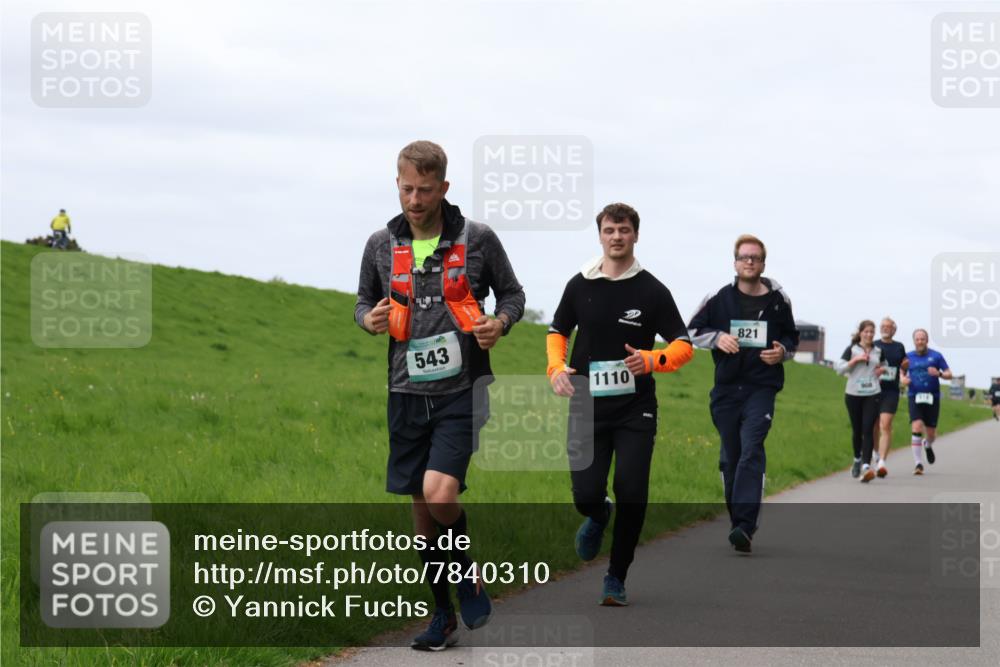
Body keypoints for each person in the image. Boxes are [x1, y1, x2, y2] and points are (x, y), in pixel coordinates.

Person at [354, 140, 525, 651]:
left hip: (461, 390)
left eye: (425, 190)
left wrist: (501, 322)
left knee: (440, 492)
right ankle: (441, 614)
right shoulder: (380, 245)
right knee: (423, 515)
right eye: (406, 188)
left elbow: (513, 295)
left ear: (444, 188)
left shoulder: (478, 239)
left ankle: (467, 573)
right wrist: (369, 319)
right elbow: (363, 301)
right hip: (405, 392)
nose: (414, 198)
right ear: (398, 184)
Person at [546, 203, 693, 606]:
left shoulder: (651, 290)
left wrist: (652, 360)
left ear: (635, 235)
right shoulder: (580, 284)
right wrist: (555, 368)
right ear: (600, 235)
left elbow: (683, 344)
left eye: (624, 230)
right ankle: (597, 513)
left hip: (635, 409)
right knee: (585, 493)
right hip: (587, 404)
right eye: (609, 229)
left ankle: (616, 576)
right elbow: (558, 330)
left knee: (632, 489)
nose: (616, 236)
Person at [688, 234, 799, 554]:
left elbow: (791, 339)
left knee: (752, 447)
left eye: (755, 258)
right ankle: (739, 523)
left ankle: (746, 525)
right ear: (735, 262)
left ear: (763, 263)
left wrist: (782, 353)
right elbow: (692, 331)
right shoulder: (719, 298)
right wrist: (718, 338)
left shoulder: (779, 301)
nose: (749, 262)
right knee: (730, 458)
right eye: (744, 257)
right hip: (726, 389)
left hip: (761, 387)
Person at [835, 320, 886, 483]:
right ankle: (857, 459)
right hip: (853, 394)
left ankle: (866, 466)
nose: (869, 334)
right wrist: (854, 361)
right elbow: (839, 368)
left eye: (872, 332)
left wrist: (882, 370)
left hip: (873, 393)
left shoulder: (878, 350)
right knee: (857, 431)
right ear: (860, 333)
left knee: (868, 429)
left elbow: (886, 366)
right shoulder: (852, 349)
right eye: (866, 331)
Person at [900, 329, 952, 475]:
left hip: (932, 397)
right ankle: (918, 464)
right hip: (914, 395)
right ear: (914, 341)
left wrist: (939, 373)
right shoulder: (907, 357)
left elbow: (949, 374)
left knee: (931, 433)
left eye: (923, 339)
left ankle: (927, 444)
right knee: (916, 426)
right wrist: (902, 379)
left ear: (927, 340)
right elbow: (901, 372)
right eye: (917, 339)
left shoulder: (936, 356)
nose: (920, 341)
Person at [872, 317, 908, 477]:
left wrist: (905, 367)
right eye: (883, 326)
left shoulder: (899, 347)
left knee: (885, 425)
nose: (885, 329)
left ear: (894, 330)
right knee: (873, 426)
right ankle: (875, 453)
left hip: (891, 391)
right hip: (873, 390)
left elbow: (904, 364)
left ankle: (882, 462)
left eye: (888, 327)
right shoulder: (874, 345)